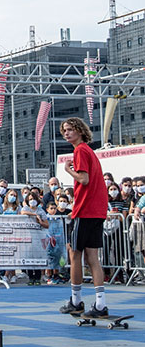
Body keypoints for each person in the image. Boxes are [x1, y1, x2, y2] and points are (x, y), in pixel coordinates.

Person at [59, 117, 109, 317]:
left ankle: (76, 299)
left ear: (79, 130)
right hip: (97, 210)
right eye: (64, 131)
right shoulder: (89, 151)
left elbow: (84, 179)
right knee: (93, 258)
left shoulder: (80, 151)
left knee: (75, 253)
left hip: (85, 209)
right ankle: (100, 303)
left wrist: (68, 170)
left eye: (70, 129)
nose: (67, 133)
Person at [21, 190, 49, 285]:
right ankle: (30, 277)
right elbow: (23, 212)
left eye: (34, 199)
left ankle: (37, 277)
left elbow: (46, 224)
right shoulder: (26, 208)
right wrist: (34, 215)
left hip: (38, 236)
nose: (32, 201)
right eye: (30, 199)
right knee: (28, 257)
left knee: (37, 257)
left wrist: (40, 222)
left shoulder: (41, 210)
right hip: (28, 236)